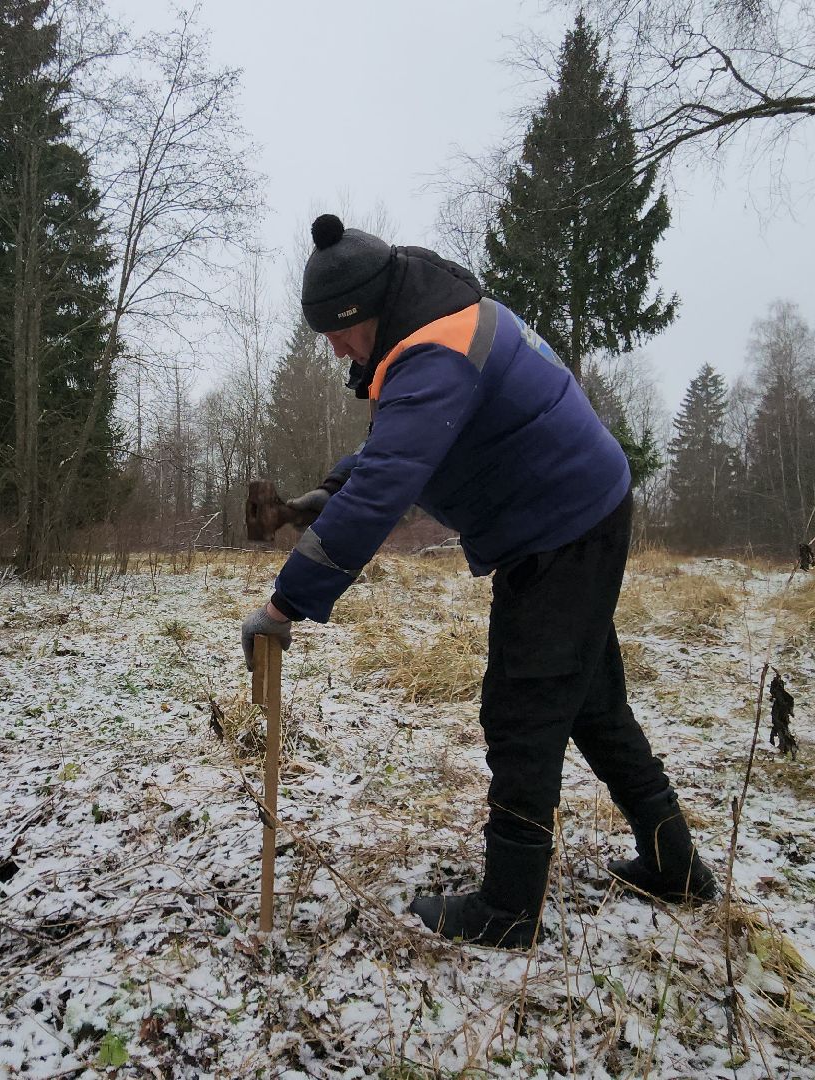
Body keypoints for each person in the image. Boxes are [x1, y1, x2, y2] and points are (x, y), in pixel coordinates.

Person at [239, 214, 718, 949]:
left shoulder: (436, 352)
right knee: (590, 704)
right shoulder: (437, 323)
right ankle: (674, 864)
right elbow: (395, 448)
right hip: (575, 514)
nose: (334, 348)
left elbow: (388, 481)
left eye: (337, 331)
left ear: (366, 307)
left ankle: (510, 907)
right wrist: (322, 496)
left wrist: (283, 604)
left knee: (522, 708)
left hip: (561, 530)